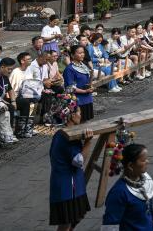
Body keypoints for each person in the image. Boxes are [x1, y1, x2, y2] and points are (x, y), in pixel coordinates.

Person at [48, 95, 92, 231]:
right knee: (67, 222)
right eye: (79, 112)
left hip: (68, 183)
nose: (81, 115)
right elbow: (79, 161)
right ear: (72, 116)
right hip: (67, 185)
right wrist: (88, 143)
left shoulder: (61, 134)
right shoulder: (67, 136)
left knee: (75, 217)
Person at [102, 143, 153, 230]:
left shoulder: (145, 180)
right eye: (143, 160)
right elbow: (109, 225)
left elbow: (148, 200)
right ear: (130, 166)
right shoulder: (119, 193)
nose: (147, 162)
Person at [10, 52, 42, 138]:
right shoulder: (16, 72)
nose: (30, 60)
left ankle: (29, 126)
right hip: (16, 96)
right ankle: (21, 129)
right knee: (26, 102)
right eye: (28, 59)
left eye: (30, 59)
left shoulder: (29, 70)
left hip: (27, 95)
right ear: (22, 61)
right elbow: (11, 89)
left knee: (34, 100)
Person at [63, 45, 95, 122]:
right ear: (72, 55)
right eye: (79, 53)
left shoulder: (84, 66)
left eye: (83, 52)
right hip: (77, 101)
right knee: (78, 123)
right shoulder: (69, 69)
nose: (82, 54)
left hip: (87, 98)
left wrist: (91, 86)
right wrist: (85, 91)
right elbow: (70, 88)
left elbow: (87, 82)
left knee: (86, 122)